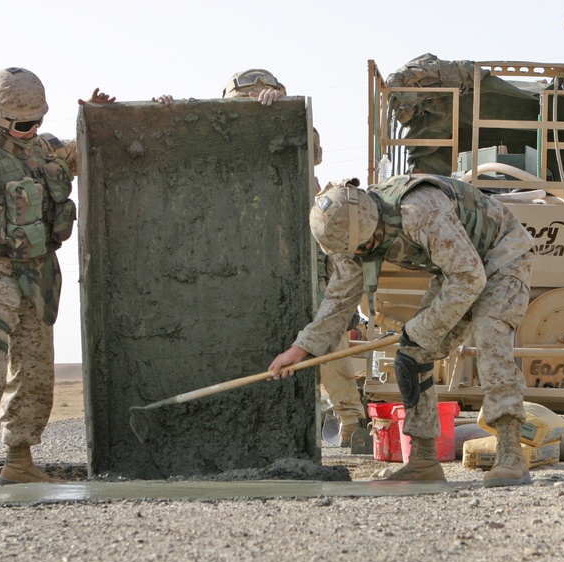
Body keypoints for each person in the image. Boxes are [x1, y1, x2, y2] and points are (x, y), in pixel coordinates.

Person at [269, 174, 536, 485]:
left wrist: (420, 329)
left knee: (491, 340)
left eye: (368, 246)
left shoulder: (419, 211)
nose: (366, 251)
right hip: (460, 265)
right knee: (412, 354)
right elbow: (340, 298)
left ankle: (511, 455)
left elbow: (469, 277)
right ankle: (424, 461)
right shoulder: (348, 232)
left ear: (372, 228)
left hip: (502, 254)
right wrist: (302, 348)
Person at [156, 69, 366, 446]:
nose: (251, 109)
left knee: (329, 336)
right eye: (242, 103)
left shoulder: (288, 129)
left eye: (259, 98)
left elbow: (312, 149)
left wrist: (282, 109)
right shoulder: (218, 137)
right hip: (248, 259)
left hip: (302, 255)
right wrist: (163, 113)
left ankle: (351, 421)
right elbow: (179, 150)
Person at [0, 67, 114, 487]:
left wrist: (91, 122)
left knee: (34, 373)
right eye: (24, 123)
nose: (34, 130)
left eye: (39, 121)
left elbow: (69, 159)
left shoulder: (38, 148)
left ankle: (19, 460)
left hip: (36, 280)